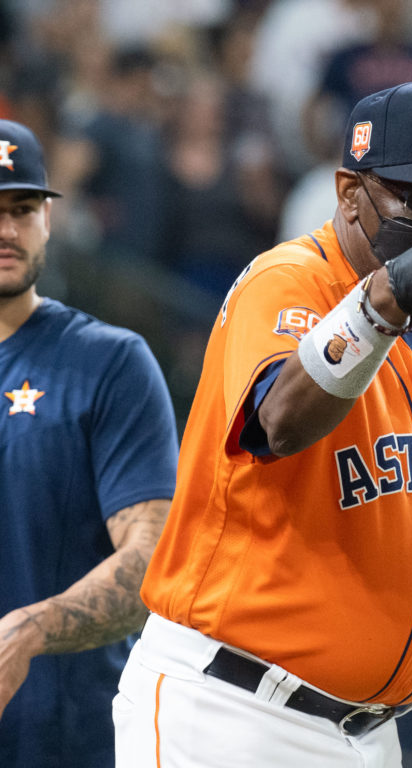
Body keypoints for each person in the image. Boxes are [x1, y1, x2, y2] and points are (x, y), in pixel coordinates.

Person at [111, 81, 412, 768]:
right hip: (229, 712)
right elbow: (280, 420)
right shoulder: (288, 280)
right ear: (348, 191)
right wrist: (380, 304)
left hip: (369, 734)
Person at [0, 118, 178, 766]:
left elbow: (153, 561)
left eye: (21, 209)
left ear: (48, 219)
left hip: (72, 740)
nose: (5, 230)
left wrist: (31, 629)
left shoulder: (109, 362)